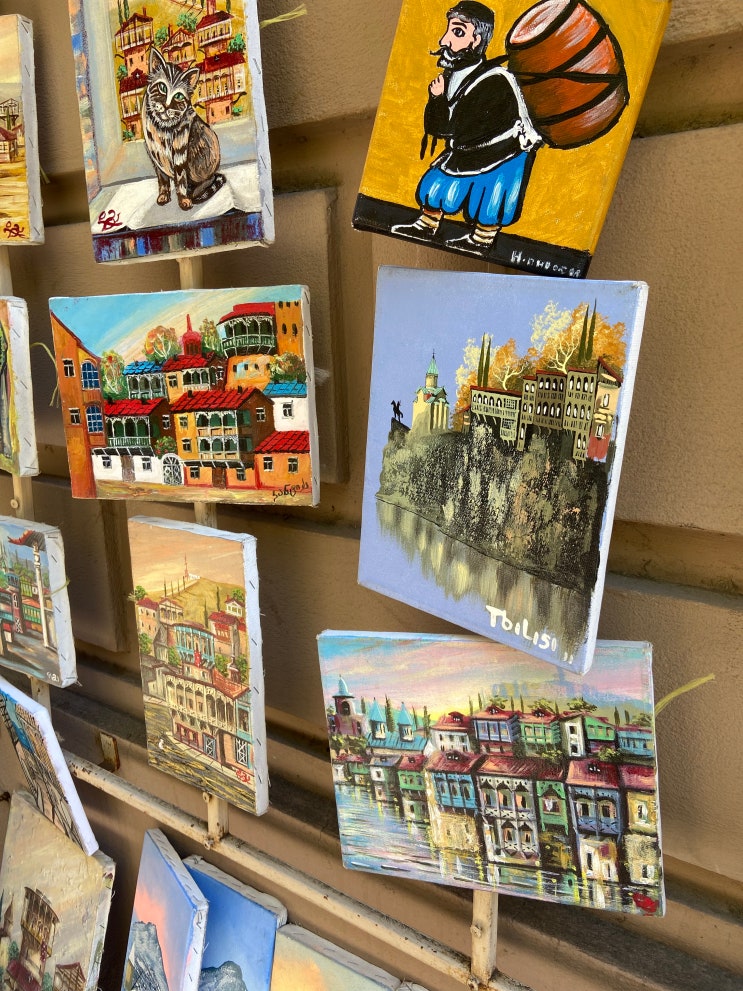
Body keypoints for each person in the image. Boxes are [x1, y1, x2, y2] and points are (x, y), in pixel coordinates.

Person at [391, 1, 541, 254]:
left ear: (476, 40)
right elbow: (438, 128)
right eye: (449, 31)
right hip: (466, 150)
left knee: (490, 199)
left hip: (502, 154)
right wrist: (437, 98)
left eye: (458, 32)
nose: (444, 41)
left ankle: (482, 239)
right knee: (435, 186)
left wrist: (438, 99)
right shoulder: (453, 77)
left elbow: (449, 128)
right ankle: (427, 225)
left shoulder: (495, 81)